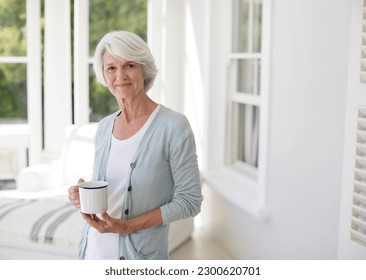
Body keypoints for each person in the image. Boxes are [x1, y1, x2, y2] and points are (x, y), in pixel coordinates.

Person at [68, 30, 203, 260]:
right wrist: (81, 195)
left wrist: (128, 226)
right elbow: (109, 189)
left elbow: (190, 202)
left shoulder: (173, 126)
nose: (120, 76)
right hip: (92, 252)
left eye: (129, 65)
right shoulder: (103, 127)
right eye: (111, 67)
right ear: (103, 73)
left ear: (144, 69)